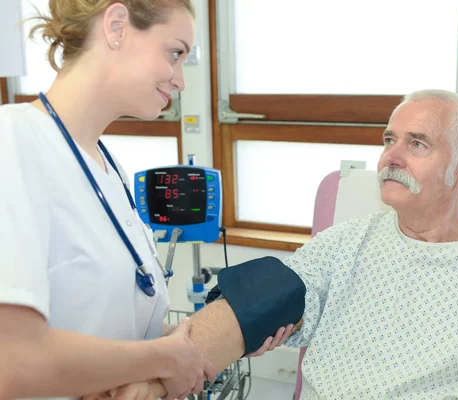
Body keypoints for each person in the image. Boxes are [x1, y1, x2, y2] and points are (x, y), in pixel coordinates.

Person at [0, 1, 286, 399]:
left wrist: (224, 338)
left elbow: (115, 328)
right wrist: (161, 359)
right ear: (117, 27)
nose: (182, 80)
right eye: (175, 53)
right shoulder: (12, 143)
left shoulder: (107, 166)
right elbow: (12, 362)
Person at [282, 90, 458, 399]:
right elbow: (263, 302)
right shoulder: (342, 243)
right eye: (389, 140)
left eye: (417, 144)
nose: (392, 157)